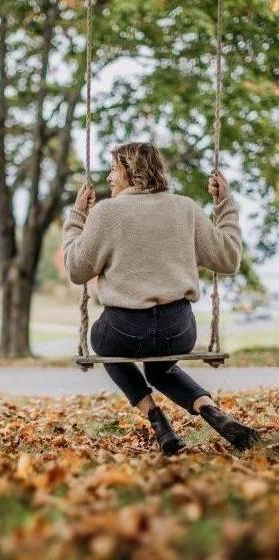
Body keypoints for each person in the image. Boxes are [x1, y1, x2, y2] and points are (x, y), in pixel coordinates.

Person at [63, 142, 259, 456]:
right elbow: (228, 258)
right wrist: (225, 205)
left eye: (114, 169)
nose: (109, 178)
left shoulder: (106, 213)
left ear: (131, 171)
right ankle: (211, 411)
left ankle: (157, 419)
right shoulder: (185, 208)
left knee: (102, 342)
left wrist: (76, 219)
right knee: (160, 369)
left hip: (125, 330)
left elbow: (76, 269)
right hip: (178, 330)